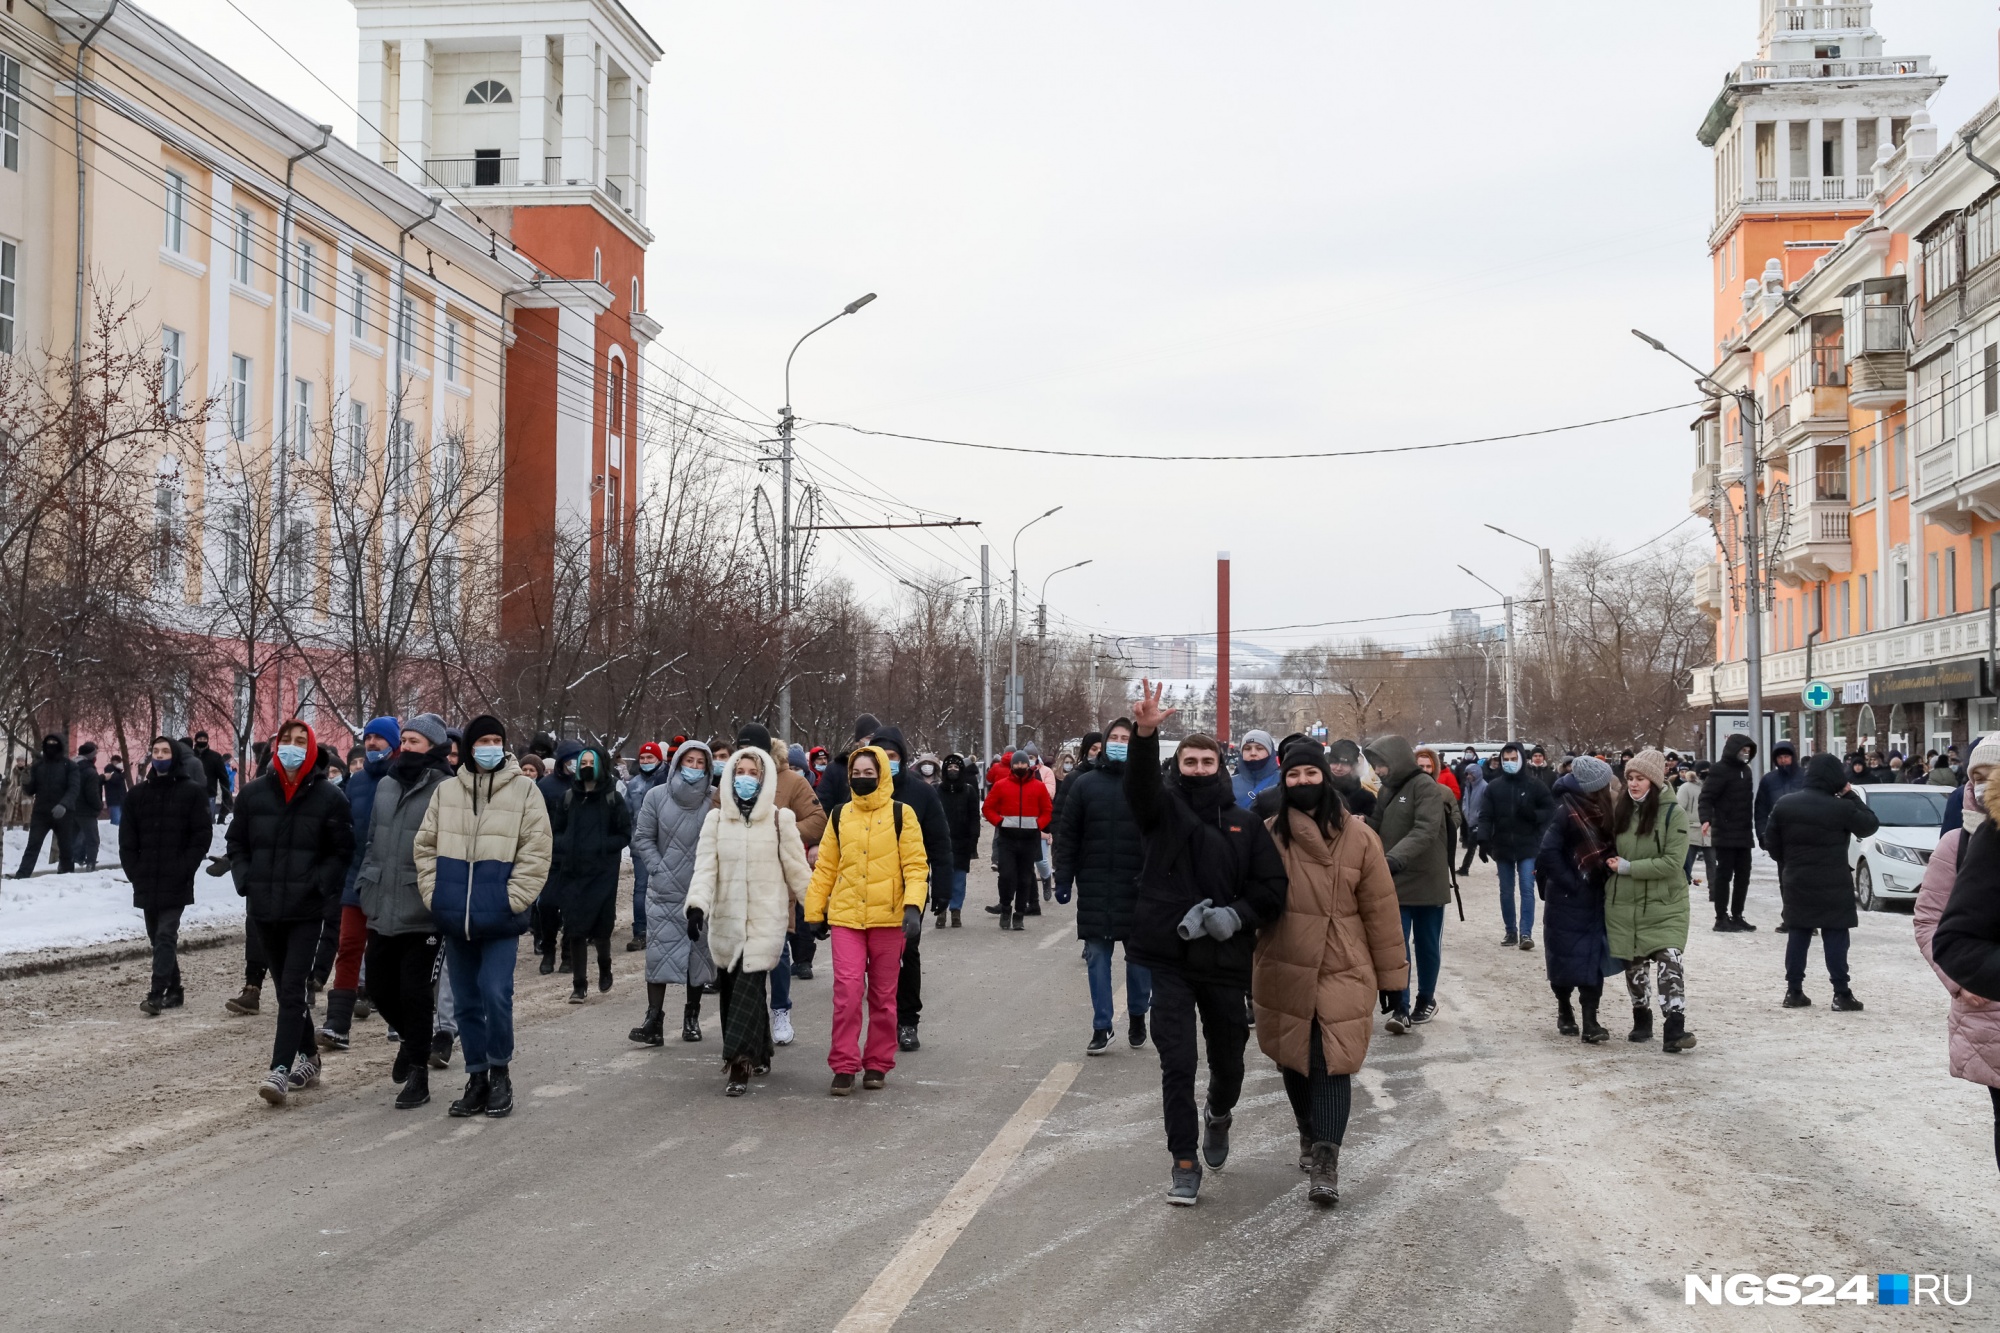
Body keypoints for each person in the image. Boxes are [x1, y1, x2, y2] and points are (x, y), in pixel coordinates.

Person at [1125, 681, 1288, 1206]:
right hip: (1168, 956)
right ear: (1178, 766)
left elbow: (1272, 890)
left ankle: (1219, 1115)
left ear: (1221, 767)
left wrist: (1235, 917)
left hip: (1224, 959)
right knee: (1177, 1062)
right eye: (1189, 762)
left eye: (1206, 762)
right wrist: (1147, 734)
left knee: (1228, 1061)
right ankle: (1183, 1161)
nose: (1197, 769)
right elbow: (1141, 786)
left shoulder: (1244, 825)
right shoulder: (1161, 813)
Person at [1256, 738, 1404, 1207]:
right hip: (1284, 958)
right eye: (1294, 776)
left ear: (1326, 777)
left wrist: (1393, 979)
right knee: (1294, 1058)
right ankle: (1307, 1130)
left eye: (1311, 774)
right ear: (1284, 780)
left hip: (1344, 960)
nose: (1303, 783)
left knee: (1332, 1060)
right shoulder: (1270, 833)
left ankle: (1326, 1158)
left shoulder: (1361, 838)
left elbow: (1380, 910)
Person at [416, 714, 552, 1119]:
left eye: (497, 739)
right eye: (482, 741)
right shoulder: (447, 792)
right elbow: (425, 848)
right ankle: (475, 1076)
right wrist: (435, 895)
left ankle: (500, 1072)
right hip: (456, 917)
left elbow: (537, 850)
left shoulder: (526, 792)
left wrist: (514, 899)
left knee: (496, 993)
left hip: (500, 918)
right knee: (466, 1003)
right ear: (469, 748)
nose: (490, 747)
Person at [227, 720, 355, 1105]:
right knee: (287, 991)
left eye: (302, 741)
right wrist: (246, 878)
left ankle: (280, 1069)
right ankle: (311, 1058)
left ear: (313, 749)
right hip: (263, 908)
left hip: (305, 910)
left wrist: (319, 883)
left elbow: (342, 851)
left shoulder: (331, 798)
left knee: (292, 988)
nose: (293, 747)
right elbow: (237, 843)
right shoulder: (252, 795)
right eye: (287, 740)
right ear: (277, 745)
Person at [685, 743, 813, 1095]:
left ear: (765, 777)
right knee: (732, 990)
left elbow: (798, 871)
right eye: (739, 772)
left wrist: (817, 912)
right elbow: (705, 868)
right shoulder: (715, 820)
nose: (744, 779)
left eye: (752, 773)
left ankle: (738, 1064)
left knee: (748, 984)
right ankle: (761, 1049)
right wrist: (697, 905)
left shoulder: (779, 820)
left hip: (765, 921)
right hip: (726, 922)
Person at [803, 744, 928, 1095]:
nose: (861, 779)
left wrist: (912, 907)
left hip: (889, 919)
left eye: (868, 774)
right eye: (856, 774)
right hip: (846, 917)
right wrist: (815, 910)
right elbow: (825, 866)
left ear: (882, 776)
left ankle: (877, 1063)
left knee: (884, 996)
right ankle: (843, 1065)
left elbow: (916, 867)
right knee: (847, 990)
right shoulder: (840, 815)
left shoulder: (903, 815)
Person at [353, 719, 455, 1108]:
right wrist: (366, 882)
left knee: (414, 992)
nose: (407, 747)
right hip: (382, 902)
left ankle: (419, 1075)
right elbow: (371, 840)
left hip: (423, 907)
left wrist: (440, 894)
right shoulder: (385, 784)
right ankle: (416, 1039)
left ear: (433, 747)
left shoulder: (448, 788)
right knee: (379, 988)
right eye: (406, 740)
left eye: (415, 741)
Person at [1916, 742, 2000, 1173]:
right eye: (1976, 776)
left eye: (1993, 775)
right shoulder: (1960, 842)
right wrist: (1962, 982)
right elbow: (1932, 922)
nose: (1983, 786)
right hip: (1984, 1006)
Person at [1053, 717, 1151, 1055]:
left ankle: (1138, 1013)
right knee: (1097, 957)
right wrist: (1063, 878)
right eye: (1115, 737)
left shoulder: (1148, 784)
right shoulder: (1084, 784)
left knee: (1139, 960)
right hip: (1095, 885)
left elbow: (1163, 835)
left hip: (1138, 886)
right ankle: (1102, 1025)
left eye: (1127, 738)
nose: (1120, 742)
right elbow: (1068, 837)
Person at [1764, 753, 1879, 1011]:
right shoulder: (1842, 807)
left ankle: (1793, 991)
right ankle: (1841, 993)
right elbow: (1869, 825)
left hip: (1796, 879)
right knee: (1836, 934)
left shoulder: (1785, 804)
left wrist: (1791, 861)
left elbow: (1771, 844)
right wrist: (1850, 794)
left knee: (1798, 933)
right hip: (1833, 880)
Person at [320, 715, 402, 1052]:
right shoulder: (354, 783)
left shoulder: (406, 779)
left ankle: (399, 1020)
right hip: (356, 879)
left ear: (394, 744)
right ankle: (337, 1024)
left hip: (394, 881)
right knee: (349, 947)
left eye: (379, 739)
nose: (372, 744)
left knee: (391, 953)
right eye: (368, 738)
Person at [1605, 749, 1696, 1054]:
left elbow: (1673, 862)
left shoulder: (1673, 814)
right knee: (1634, 963)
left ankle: (1675, 1027)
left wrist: (1630, 868)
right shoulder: (1621, 810)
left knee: (1670, 961)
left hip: (1665, 902)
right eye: (1630, 777)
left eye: (1640, 778)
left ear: (1654, 782)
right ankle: (1641, 1017)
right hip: (1626, 903)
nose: (1633, 783)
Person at [865, 726, 950, 1049]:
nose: (886, 763)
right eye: (880, 757)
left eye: (893, 757)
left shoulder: (922, 794)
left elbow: (940, 844)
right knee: (874, 956)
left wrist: (942, 889)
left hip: (908, 888)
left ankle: (907, 1021)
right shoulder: (859, 790)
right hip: (867, 887)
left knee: (907, 951)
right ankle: (879, 1020)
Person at [630, 740, 719, 1045]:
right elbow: (642, 838)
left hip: (700, 892)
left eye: (700, 763)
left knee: (697, 954)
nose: (693, 767)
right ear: (678, 762)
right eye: (688, 761)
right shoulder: (656, 797)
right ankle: (653, 1019)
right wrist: (659, 868)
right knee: (658, 954)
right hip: (663, 890)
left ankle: (691, 1016)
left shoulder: (714, 801)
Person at [1363, 736, 1451, 1032]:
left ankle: (1425, 998)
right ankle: (1400, 1008)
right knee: (1397, 946)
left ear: (1396, 759)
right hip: (1396, 880)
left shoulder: (1425, 787)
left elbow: (1425, 830)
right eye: (1375, 765)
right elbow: (1375, 825)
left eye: (1381, 763)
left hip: (1427, 881)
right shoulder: (1386, 790)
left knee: (1427, 946)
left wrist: (1391, 859)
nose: (1378, 770)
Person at [121, 738, 212, 1014]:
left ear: (175, 757)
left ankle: (156, 993)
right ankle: (175, 988)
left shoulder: (192, 792)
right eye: (156, 752)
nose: (160, 756)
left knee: (165, 934)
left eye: (165, 751)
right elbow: (127, 838)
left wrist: (186, 866)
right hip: (146, 876)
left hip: (176, 877)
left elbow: (201, 836)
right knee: (154, 934)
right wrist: (134, 870)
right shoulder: (137, 795)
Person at [1535, 755, 1620, 1045]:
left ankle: (1590, 1022)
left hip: (1596, 895)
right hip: (1567, 899)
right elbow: (1548, 853)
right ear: (1593, 787)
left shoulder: (1603, 810)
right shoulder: (1566, 812)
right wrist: (1573, 882)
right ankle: (1564, 1010)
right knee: (1563, 959)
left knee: (1592, 960)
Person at [548, 743, 631, 1003]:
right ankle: (579, 984)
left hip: (603, 874)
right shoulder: (568, 798)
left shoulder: (612, 798)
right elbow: (556, 831)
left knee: (602, 927)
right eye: (581, 763)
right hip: (573, 872)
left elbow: (624, 834)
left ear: (600, 765)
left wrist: (603, 846)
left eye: (589, 763)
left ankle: (605, 966)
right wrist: (567, 845)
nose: (585, 768)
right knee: (575, 928)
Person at [1476, 741, 1553, 951]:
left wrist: (1534, 816)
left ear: (1521, 759)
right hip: (1502, 845)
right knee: (1506, 890)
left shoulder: (1534, 785)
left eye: (1513, 759)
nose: (1510, 763)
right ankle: (1510, 930)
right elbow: (1485, 815)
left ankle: (1525, 932)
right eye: (1506, 760)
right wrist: (1482, 839)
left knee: (1527, 888)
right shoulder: (1494, 787)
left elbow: (1550, 810)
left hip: (1528, 845)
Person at [985, 745, 1053, 930]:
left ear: (1029, 764)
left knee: (1025, 878)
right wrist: (999, 822)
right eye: (1018, 762)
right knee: (1006, 875)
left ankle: (1019, 914)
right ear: (1012, 765)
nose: (1021, 765)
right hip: (1007, 839)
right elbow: (987, 808)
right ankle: (1006, 907)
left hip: (1029, 839)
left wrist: (1038, 825)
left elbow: (1047, 810)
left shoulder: (1038, 787)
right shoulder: (1001, 785)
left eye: (1024, 762)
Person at [1698, 732, 1759, 932]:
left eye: (1748, 751)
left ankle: (1737, 914)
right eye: (1743, 750)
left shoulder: (1747, 771)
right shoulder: (1719, 770)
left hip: (1743, 832)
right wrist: (1706, 819)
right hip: (1725, 831)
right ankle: (1721, 917)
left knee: (1743, 875)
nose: (1746, 754)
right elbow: (1706, 797)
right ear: (1734, 750)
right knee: (1724, 875)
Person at [10, 734, 79, 878]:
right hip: (41, 813)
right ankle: (22, 875)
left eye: (54, 743)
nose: (51, 746)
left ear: (60, 745)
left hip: (64, 814)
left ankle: (67, 875)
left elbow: (73, 789)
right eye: (49, 743)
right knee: (33, 845)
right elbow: (31, 790)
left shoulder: (69, 766)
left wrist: (64, 805)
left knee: (66, 847)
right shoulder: (38, 766)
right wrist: (26, 782)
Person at [624, 741, 670, 952]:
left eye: (650, 758)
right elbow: (627, 814)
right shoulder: (633, 785)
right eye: (642, 758)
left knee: (665, 888)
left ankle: (665, 929)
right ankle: (640, 931)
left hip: (665, 844)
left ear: (658, 759)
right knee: (641, 888)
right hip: (640, 845)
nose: (645, 762)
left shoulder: (668, 781)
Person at [937, 753, 981, 928]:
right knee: (940, 878)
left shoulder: (969, 791)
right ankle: (940, 909)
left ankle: (956, 911)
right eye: (949, 767)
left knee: (958, 879)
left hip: (962, 841)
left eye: (956, 767)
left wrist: (974, 839)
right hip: (941, 841)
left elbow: (974, 817)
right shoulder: (937, 791)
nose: (953, 770)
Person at [1752, 740, 1805, 853]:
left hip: (1803, 834)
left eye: (1786, 756)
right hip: (1779, 834)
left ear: (1793, 757)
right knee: (1784, 868)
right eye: (1780, 757)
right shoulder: (1768, 780)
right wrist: (1762, 834)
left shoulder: (1806, 776)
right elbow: (1761, 810)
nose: (1783, 760)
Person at [70, 742, 104, 871]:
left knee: (73, 838)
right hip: (87, 812)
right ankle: (90, 864)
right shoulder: (90, 772)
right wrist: (99, 806)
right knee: (92, 840)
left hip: (73, 809)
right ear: (91, 756)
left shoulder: (72, 768)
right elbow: (92, 793)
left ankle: (69, 863)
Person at [1676, 762, 1709, 889]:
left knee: (1712, 862)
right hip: (1689, 828)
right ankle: (1684, 883)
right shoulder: (1686, 787)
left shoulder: (1714, 786)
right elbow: (1679, 809)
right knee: (1687, 861)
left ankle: (1715, 890)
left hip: (1709, 830)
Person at [1231, 729, 1280, 808]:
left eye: (1259, 748)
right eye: (1247, 749)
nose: (1253, 753)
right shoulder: (1229, 784)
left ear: (1270, 752)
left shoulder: (1282, 781)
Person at [102, 753, 128, 827]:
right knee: (116, 823)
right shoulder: (110, 769)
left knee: (120, 822)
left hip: (119, 800)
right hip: (114, 801)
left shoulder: (118, 771)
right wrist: (124, 773)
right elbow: (115, 779)